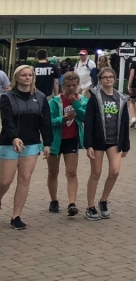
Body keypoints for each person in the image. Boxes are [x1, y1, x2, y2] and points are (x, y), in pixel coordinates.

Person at [0, 65, 54, 229]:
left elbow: (45, 121)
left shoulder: (41, 97)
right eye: (23, 75)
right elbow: (7, 120)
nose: (27, 77)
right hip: (9, 142)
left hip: (31, 143)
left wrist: (47, 143)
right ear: (16, 77)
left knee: (24, 179)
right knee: (5, 180)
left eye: (30, 75)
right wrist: (14, 137)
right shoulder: (6, 97)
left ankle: (16, 216)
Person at [83, 67, 130, 221]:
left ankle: (103, 200)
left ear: (114, 79)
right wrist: (88, 144)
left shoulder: (121, 98)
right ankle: (90, 206)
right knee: (96, 172)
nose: (108, 79)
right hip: (97, 140)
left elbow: (124, 122)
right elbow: (88, 121)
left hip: (114, 140)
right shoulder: (95, 97)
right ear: (100, 80)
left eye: (110, 77)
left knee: (115, 171)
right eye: (105, 77)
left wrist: (126, 144)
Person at [46, 71, 88, 216]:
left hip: (72, 138)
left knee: (71, 172)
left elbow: (85, 118)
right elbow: (48, 122)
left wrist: (76, 104)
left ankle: (72, 203)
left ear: (78, 85)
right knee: (53, 172)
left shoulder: (82, 100)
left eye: (74, 85)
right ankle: (54, 200)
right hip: (55, 140)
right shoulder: (54, 101)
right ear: (63, 85)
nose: (71, 88)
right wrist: (62, 119)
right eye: (68, 85)